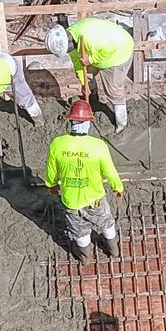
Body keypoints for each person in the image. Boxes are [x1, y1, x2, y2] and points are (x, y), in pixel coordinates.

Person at [44, 99, 125, 256]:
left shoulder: (57, 144)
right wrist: (118, 187)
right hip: (95, 199)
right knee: (106, 223)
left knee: (80, 231)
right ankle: (113, 250)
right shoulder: (98, 145)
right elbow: (110, 170)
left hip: (71, 200)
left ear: (71, 121)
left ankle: (85, 257)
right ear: (88, 122)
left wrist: (51, 185)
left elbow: (51, 170)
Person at [48, 17, 136, 129]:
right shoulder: (71, 38)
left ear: (68, 41)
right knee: (87, 77)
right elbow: (78, 63)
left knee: (114, 91)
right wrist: (84, 83)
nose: (68, 52)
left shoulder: (90, 38)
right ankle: (93, 100)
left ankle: (121, 123)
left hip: (118, 52)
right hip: (97, 53)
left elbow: (110, 49)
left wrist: (91, 60)